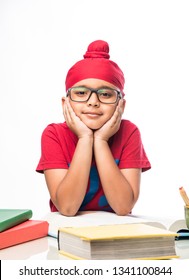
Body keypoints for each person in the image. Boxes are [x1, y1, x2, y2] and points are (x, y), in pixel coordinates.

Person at [36, 40, 151, 217]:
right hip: (68, 232)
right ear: (66, 102)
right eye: (81, 93)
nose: (93, 101)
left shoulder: (129, 132)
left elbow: (123, 207)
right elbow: (67, 207)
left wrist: (101, 140)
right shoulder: (54, 134)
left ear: (121, 105)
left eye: (105, 94)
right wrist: (85, 138)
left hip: (115, 232)